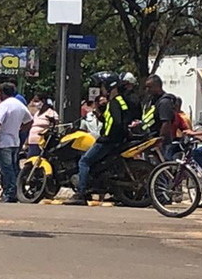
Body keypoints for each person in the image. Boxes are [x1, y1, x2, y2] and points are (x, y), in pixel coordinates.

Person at [69, 73, 131, 205]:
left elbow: (116, 123)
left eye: (103, 85)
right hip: (116, 140)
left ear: (110, 86)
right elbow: (115, 120)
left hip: (109, 141)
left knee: (84, 161)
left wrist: (106, 137)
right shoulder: (120, 101)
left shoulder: (114, 102)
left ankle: (81, 193)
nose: (102, 89)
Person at [0, 82, 33, 203]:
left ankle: (10, 193)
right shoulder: (20, 105)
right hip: (15, 141)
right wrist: (19, 130)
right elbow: (29, 121)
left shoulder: (4, 105)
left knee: (7, 169)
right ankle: (16, 191)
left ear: (3, 93)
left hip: (3, 142)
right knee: (13, 168)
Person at [142, 74, 177, 158]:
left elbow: (166, 123)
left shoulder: (164, 102)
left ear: (158, 86)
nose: (147, 90)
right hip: (150, 141)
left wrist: (160, 141)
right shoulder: (152, 100)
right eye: (146, 87)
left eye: (149, 87)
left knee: (162, 168)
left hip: (161, 144)